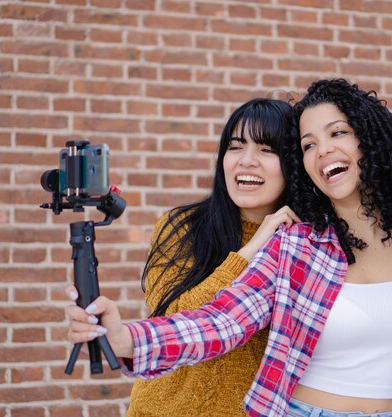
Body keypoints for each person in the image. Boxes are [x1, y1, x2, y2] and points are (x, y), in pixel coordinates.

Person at [66, 79, 392, 417]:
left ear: (370, 140)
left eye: (337, 133)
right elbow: (220, 322)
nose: (323, 149)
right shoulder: (297, 245)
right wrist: (125, 339)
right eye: (308, 144)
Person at [89, 97, 299, 417]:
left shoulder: (302, 245)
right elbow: (174, 318)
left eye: (267, 150)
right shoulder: (182, 228)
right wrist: (248, 252)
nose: (246, 161)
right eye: (235, 146)